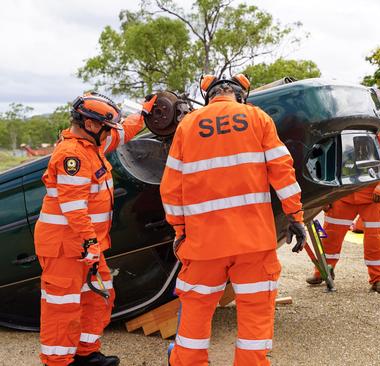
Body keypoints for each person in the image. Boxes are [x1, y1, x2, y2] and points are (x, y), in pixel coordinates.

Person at [160, 73, 307, 366]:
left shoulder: (188, 125)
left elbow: (171, 186)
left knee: (197, 310)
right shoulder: (257, 118)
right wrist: (295, 215)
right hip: (253, 241)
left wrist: (180, 231)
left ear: (210, 96)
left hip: (203, 243)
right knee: (255, 311)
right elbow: (282, 170)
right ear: (241, 94)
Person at [35, 92, 157, 365]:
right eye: (107, 127)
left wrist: (145, 114)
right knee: (62, 307)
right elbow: (73, 207)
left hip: (86, 245)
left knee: (99, 296)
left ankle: (85, 354)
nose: (110, 133)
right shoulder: (72, 156)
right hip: (66, 247)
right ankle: (58, 362)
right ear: (91, 125)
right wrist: (90, 241)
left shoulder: (92, 145)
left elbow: (123, 133)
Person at [305, 127, 380, 294]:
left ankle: (379, 280)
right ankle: (323, 272)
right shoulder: (335, 128)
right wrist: (325, 196)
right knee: (329, 237)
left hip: (373, 196)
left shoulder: (379, 131)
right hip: (342, 194)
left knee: (375, 240)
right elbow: (322, 160)